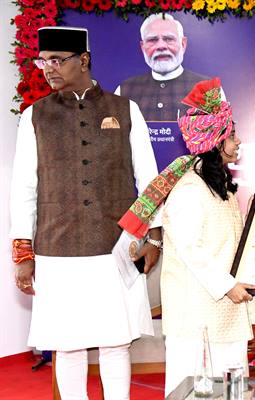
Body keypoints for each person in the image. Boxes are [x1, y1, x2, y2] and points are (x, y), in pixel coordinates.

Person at [10, 26, 162, 400]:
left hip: (116, 246)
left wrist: (154, 236)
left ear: (84, 60)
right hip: (57, 249)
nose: (49, 69)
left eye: (57, 60)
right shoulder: (34, 116)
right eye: (43, 62)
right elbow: (24, 189)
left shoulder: (125, 110)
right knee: (68, 345)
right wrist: (23, 254)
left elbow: (149, 180)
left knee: (116, 342)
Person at [119, 78, 254, 395]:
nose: (238, 142)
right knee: (195, 386)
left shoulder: (219, 185)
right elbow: (192, 250)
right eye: (231, 135)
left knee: (231, 384)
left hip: (224, 302)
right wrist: (227, 285)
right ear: (216, 141)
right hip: (196, 309)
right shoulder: (190, 188)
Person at [116, 13, 211, 121]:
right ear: (143, 47)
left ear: (183, 44)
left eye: (168, 39)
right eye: (152, 40)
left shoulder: (209, 90)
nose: (161, 46)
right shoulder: (124, 90)